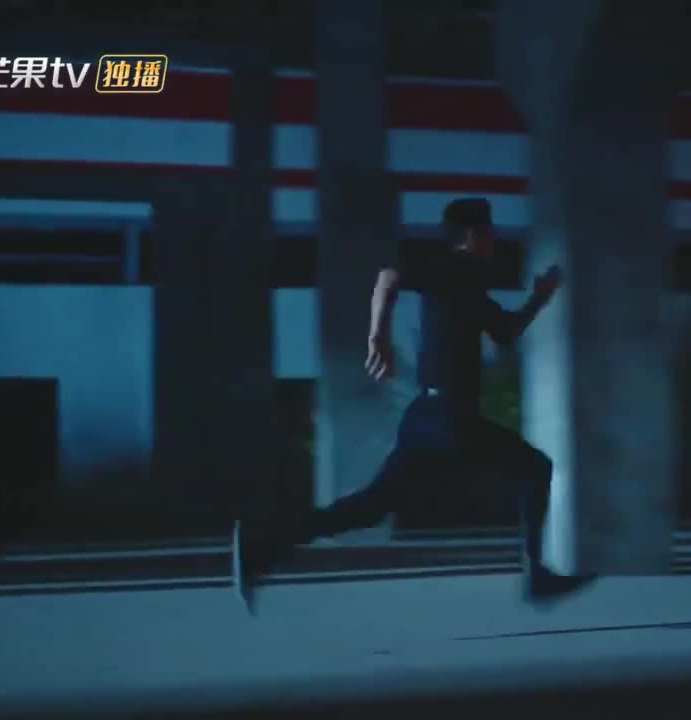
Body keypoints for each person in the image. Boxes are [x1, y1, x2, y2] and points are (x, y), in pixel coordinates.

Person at [232, 197, 594, 613]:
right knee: (536, 467)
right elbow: (388, 277)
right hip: (451, 418)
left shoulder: (467, 282)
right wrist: (377, 338)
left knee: (369, 508)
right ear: (472, 235)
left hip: (426, 414)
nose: (494, 242)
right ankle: (537, 579)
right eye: (490, 234)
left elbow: (506, 331)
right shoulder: (454, 269)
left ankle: (260, 551)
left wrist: (539, 299)